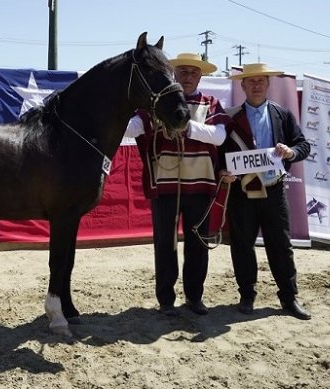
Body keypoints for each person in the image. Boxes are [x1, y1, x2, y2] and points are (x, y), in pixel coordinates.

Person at [125, 53, 231, 316]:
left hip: (201, 185)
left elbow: (219, 137)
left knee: (198, 242)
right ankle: (166, 300)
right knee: (165, 243)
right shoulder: (157, 104)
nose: (187, 77)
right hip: (165, 185)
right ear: (174, 74)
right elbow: (133, 128)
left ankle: (195, 297)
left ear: (200, 76)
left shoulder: (211, 103)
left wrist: (187, 127)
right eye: (182, 72)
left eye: (193, 72)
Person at [218, 63, 312, 320]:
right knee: (242, 245)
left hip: (274, 190)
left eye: (261, 81)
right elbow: (218, 154)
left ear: (268, 84)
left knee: (281, 244)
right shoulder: (229, 117)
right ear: (243, 85)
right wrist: (222, 173)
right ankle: (247, 294)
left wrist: (291, 152)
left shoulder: (283, 115)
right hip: (242, 192)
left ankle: (289, 297)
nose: (257, 85)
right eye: (251, 81)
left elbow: (303, 144)